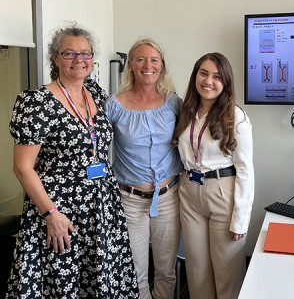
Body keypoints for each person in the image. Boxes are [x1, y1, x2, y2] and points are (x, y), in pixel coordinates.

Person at [6, 25, 139, 299]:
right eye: (69, 53)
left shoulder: (95, 94)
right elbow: (22, 167)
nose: (79, 59)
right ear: (55, 57)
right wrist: (50, 214)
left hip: (100, 206)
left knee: (99, 278)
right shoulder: (37, 103)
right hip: (59, 209)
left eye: (85, 53)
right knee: (63, 282)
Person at [171, 52, 254, 299]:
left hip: (222, 192)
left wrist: (241, 218)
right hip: (190, 192)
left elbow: (246, 169)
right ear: (195, 75)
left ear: (225, 83)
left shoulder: (235, 116)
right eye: (203, 73)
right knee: (197, 272)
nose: (208, 81)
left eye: (217, 77)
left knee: (226, 273)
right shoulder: (186, 110)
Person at [105, 38, 183, 299]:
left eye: (154, 60)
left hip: (168, 198)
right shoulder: (113, 106)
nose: (147, 65)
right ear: (130, 65)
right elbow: (94, 146)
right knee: (136, 271)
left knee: (166, 271)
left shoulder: (174, 103)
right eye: (140, 59)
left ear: (161, 67)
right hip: (129, 201)